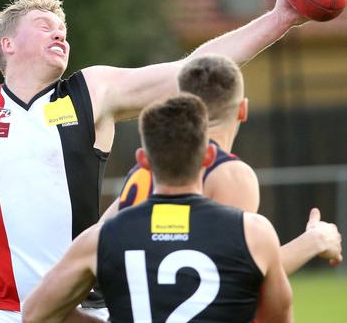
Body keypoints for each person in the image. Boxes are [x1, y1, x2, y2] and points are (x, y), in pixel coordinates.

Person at [0, 0, 310, 322]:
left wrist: (282, 15)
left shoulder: (93, 91)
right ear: (8, 44)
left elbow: (193, 69)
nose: (61, 33)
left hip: (82, 306)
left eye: (64, 28)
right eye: (45, 25)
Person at [23, 94, 293, 323]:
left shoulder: (101, 238)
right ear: (209, 156)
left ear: (143, 161)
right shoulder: (254, 232)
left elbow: (35, 313)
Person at [101, 54, 343, 273]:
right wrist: (314, 240)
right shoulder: (229, 174)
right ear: (243, 110)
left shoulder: (144, 167)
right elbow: (237, 273)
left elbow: (99, 242)